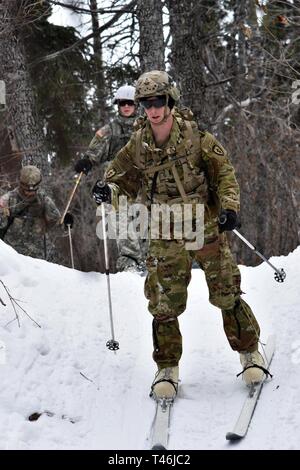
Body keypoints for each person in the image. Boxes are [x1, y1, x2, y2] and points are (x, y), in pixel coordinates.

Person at [92, 71, 268, 400]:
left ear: (170, 100)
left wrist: (229, 207)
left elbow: (225, 173)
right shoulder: (138, 145)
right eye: (146, 103)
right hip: (163, 226)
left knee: (225, 291)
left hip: (202, 223)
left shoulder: (195, 137)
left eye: (158, 101)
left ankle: (249, 352)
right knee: (163, 301)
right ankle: (167, 367)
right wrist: (108, 191)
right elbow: (121, 179)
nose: (153, 109)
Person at [74, 85, 148, 272]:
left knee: (144, 223)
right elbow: (94, 152)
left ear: (136, 105)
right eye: (122, 103)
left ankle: (148, 264)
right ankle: (130, 264)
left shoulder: (147, 128)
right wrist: (87, 162)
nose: (126, 107)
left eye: (130, 103)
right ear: (118, 105)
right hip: (117, 184)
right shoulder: (109, 131)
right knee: (122, 221)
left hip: (142, 183)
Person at [0, 165, 62, 260]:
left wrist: (65, 221)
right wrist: (3, 214)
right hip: (12, 253)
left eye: (33, 190)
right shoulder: (8, 199)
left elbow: (57, 220)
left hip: (36, 254)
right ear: (21, 184)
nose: (30, 193)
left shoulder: (43, 200)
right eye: (26, 190)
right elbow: (1, 224)